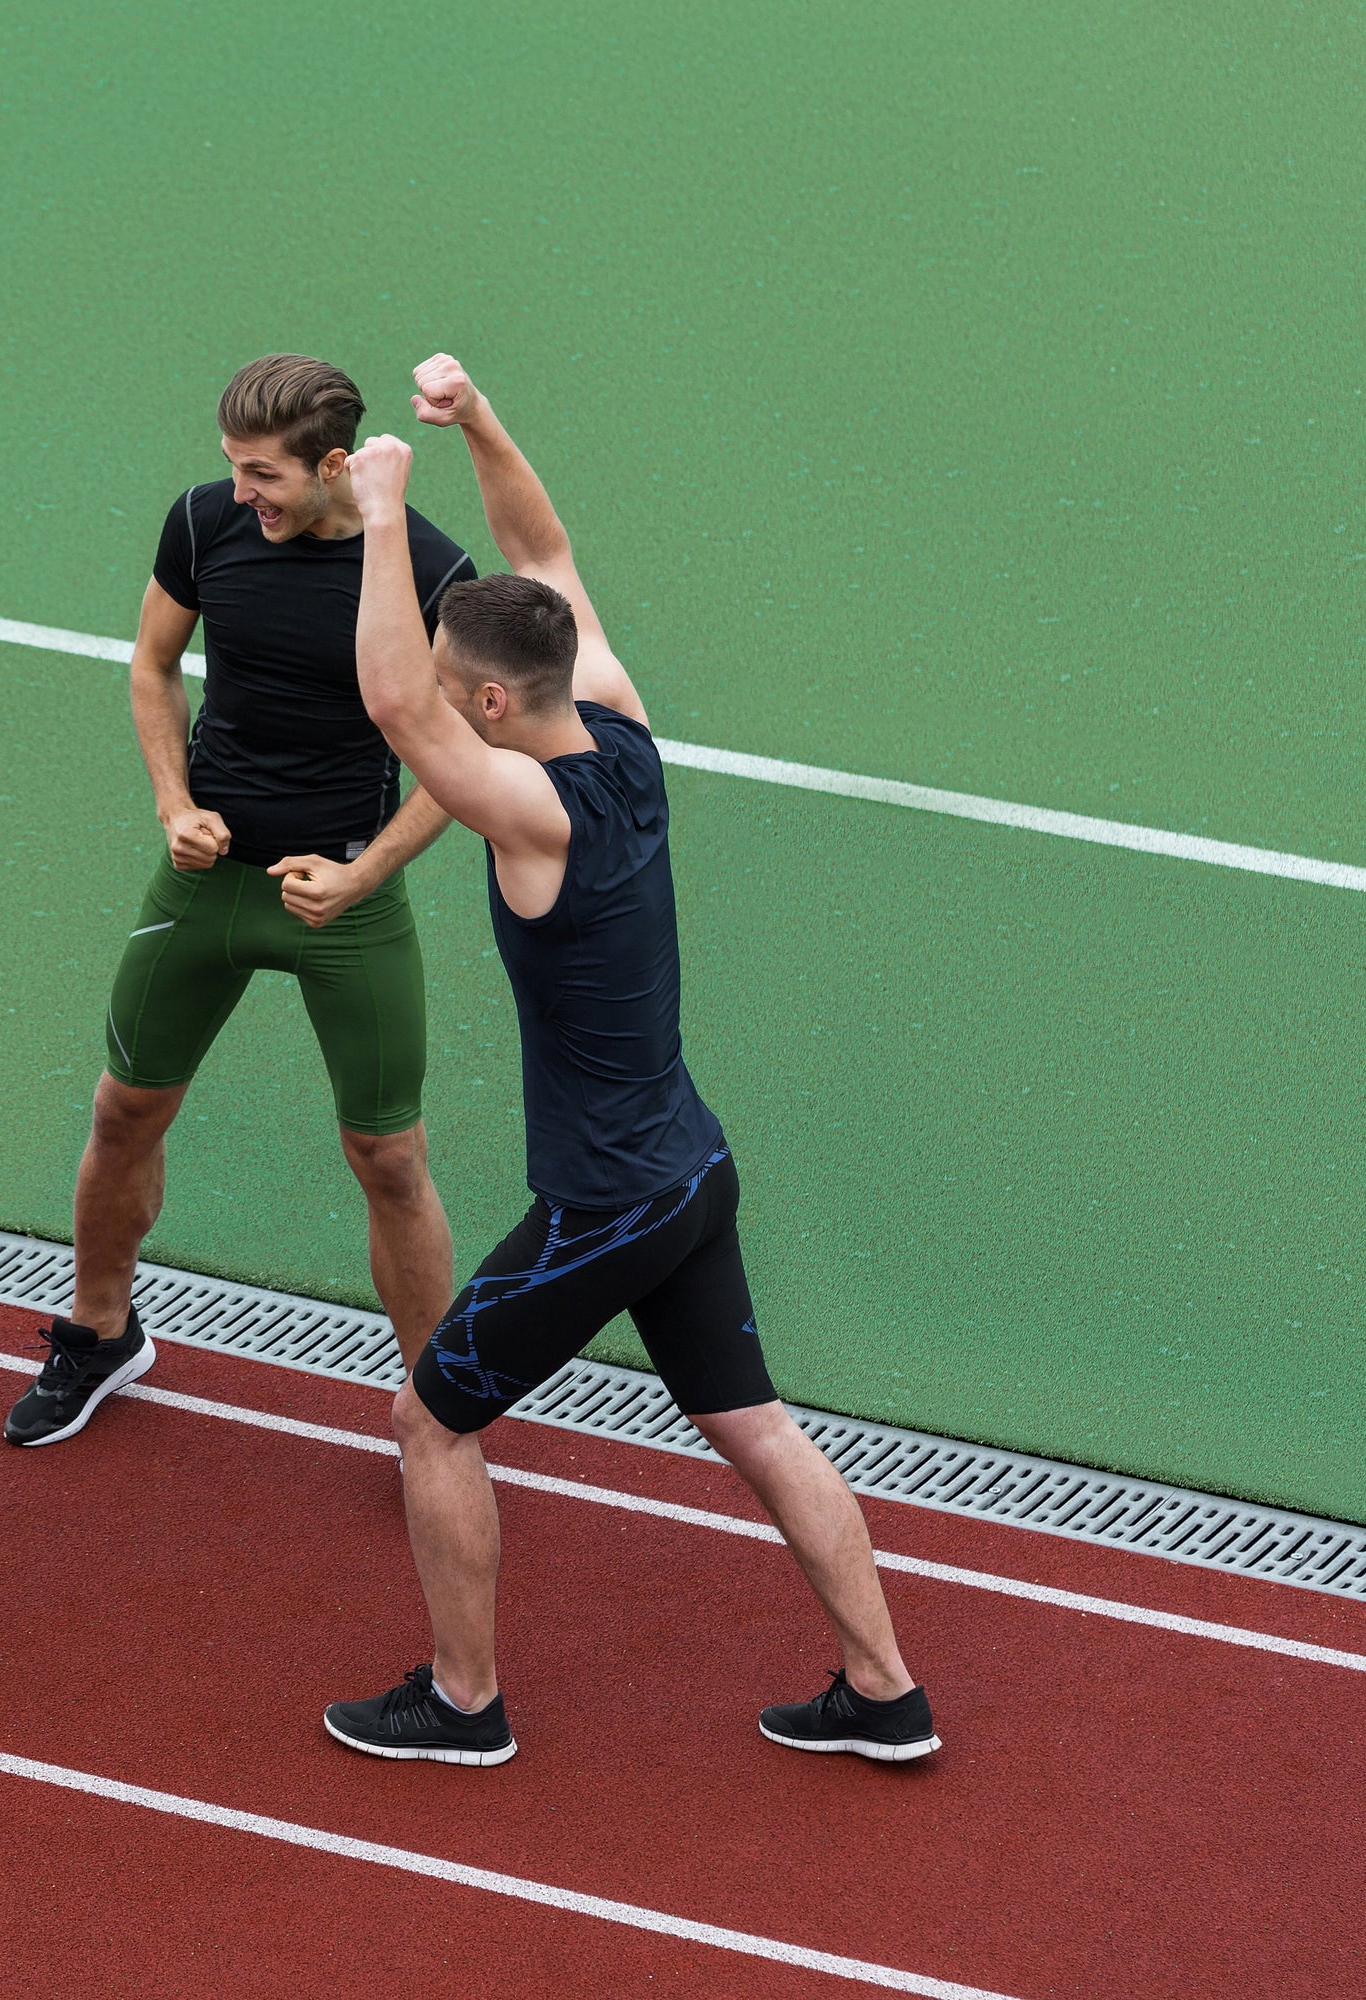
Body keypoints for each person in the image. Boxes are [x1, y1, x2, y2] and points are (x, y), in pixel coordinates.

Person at [318, 356, 938, 1766]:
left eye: (456, 695)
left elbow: (394, 712)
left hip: (609, 1201)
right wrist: (476, 420)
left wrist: (381, 509)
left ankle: (464, 1704)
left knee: (431, 1418)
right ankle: (885, 1690)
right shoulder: (623, 732)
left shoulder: (535, 815)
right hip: (690, 1168)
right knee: (756, 1427)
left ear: (488, 704)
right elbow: (542, 551)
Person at [3, 354, 483, 1448]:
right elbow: (153, 663)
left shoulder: (425, 566)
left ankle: (436, 1403)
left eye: (260, 474)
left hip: (345, 898)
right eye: (231, 468)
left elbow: (467, 746)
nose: (240, 492)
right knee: (124, 1107)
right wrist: (172, 800)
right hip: (205, 880)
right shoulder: (203, 523)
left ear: (331, 467)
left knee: (391, 1158)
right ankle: (99, 1331)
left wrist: (367, 872)